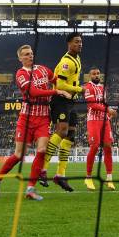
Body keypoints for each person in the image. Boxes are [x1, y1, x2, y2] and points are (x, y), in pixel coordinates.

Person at [0, 45, 71, 200]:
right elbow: (33, 92)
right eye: (26, 54)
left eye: (31, 53)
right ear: (20, 58)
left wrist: (64, 90)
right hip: (26, 119)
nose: (30, 56)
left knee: (41, 151)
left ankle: (30, 189)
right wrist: (56, 91)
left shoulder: (43, 70)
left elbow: (56, 81)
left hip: (43, 118)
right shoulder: (21, 74)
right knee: (19, 155)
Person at [42, 33, 84, 192]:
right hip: (60, 101)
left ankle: (60, 175)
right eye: (76, 42)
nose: (79, 44)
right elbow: (60, 84)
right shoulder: (67, 61)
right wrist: (80, 89)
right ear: (69, 44)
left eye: (81, 42)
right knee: (62, 131)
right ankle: (42, 168)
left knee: (70, 136)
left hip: (70, 101)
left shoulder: (76, 59)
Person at [84, 67, 117, 191]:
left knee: (108, 147)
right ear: (89, 76)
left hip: (105, 120)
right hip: (93, 120)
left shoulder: (103, 88)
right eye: (94, 74)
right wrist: (107, 109)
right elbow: (92, 104)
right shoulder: (88, 87)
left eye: (98, 73)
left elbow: (104, 103)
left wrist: (108, 114)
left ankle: (109, 178)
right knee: (95, 146)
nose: (96, 75)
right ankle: (88, 177)